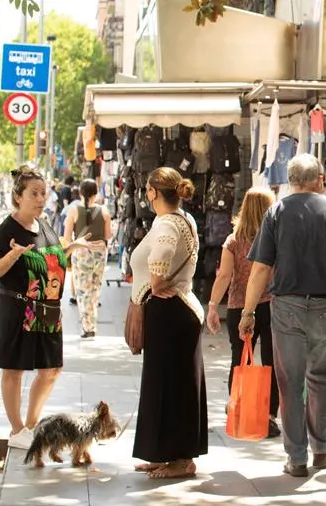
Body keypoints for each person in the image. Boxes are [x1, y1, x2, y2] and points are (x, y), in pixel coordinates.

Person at [239, 153, 326, 478]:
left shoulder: (276, 212)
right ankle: (322, 449)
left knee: (290, 383)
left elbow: (260, 269)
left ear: (291, 180)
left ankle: (296, 457)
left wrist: (248, 311)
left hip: (286, 307)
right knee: (320, 379)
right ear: (319, 178)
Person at [0, 167, 91, 450]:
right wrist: (12, 254)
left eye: (43, 193)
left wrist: (72, 248)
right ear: (18, 197)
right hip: (17, 308)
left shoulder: (43, 225)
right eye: (34, 193)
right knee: (14, 369)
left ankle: (31, 425)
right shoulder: (6, 230)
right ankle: (17, 428)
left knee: (51, 369)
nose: (40, 198)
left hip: (46, 309)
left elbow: (51, 259)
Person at [130, 167, 206, 479]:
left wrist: (156, 282)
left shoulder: (166, 224)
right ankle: (163, 452)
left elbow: (159, 268)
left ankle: (181, 459)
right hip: (177, 311)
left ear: (152, 192)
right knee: (165, 384)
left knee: (172, 386)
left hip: (171, 311)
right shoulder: (183, 218)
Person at [205, 187, 281, 438]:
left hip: (239, 307)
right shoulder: (276, 237)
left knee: (239, 360)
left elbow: (224, 276)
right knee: (271, 361)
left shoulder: (233, 241)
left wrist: (213, 306)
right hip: (271, 305)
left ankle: (238, 408)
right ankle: (269, 415)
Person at [63, 179, 111, 339]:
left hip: (82, 251)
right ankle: (92, 323)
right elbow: (108, 235)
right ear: (96, 193)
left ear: (81, 193)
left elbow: (67, 236)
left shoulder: (73, 210)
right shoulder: (104, 211)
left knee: (82, 290)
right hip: (99, 252)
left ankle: (87, 327)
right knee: (95, 289)